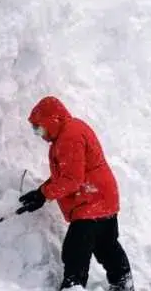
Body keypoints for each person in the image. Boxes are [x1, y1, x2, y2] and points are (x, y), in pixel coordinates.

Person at [19, 96, 134, 291]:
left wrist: (43, 194)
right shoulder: (70, 130)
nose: (38, 134)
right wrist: (41, 192)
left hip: (90, 200)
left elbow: (72, 181)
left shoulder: (68, 137)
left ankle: (73, 287)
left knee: (75, 251)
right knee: (106, 245)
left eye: (38, 128)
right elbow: (67, 174)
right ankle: (123, 282)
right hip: (102, 196)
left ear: (51, 121)